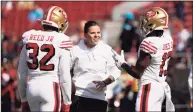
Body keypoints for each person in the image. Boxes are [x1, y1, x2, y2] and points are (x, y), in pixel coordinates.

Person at [112, 7, 175, 111]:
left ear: (154, 23)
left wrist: (122, 63)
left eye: (147, 21)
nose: (143, 24)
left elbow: (137, 73)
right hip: (160, 87)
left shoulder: (149, 42)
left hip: (149, 88)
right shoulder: (167, 40)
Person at [17, 6, 72, 112]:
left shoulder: (29, 36)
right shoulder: (61, 39)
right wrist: (67, 102)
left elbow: (21, 73)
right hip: (50, 87)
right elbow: (65, 75)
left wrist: (23, 99)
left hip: (31, 87)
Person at [70, 21, 120, 112]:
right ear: (85, 34)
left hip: (99, 98)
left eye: (98, 32)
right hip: (78, 96)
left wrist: (105, 82)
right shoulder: (75, 50)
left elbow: (116, 71)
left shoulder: (107, 50)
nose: (96, 35)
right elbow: (66, 70)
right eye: (92, 33)